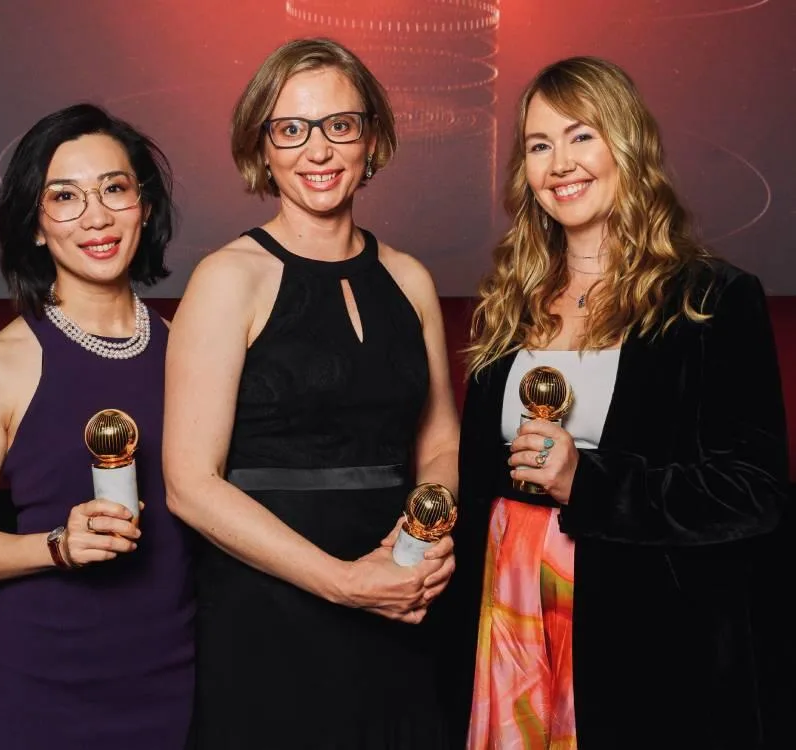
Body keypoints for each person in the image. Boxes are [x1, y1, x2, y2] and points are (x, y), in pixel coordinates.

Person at [443, 57, 791, 749]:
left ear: (626, 145)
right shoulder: (508, 305)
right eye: (539, 145)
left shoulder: (711, 300)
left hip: (643, 640)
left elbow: (754, 493)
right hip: (505, 619)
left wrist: (590, 482)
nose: (560, 163)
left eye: (581, 136)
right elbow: (477, 481)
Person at [163, 37, 460, 749]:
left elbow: (442, 437)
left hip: (403, 599)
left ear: (372, 137)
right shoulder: (226, 278)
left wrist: (427, 535)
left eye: (340, 125)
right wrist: (343, 583)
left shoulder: (411, 279)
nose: (317, 150)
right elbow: (189, 484)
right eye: (291, 129)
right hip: (268, 614)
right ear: (261, 148)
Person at [0, 103, 197, 749]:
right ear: (37, 227)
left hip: (180, 673)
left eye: (114, 189)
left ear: (146, 206)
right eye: (65, 197)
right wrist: (56, 545)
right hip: (50, 683)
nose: (96, 216)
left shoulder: (188, 349)